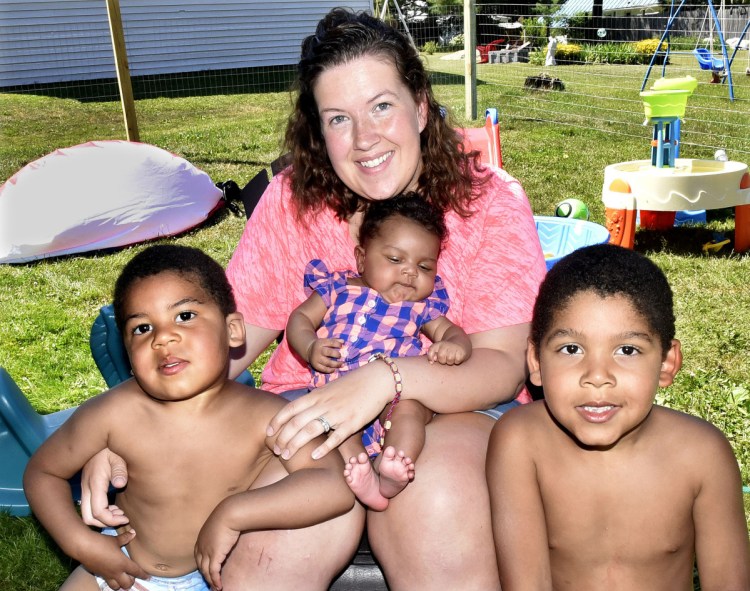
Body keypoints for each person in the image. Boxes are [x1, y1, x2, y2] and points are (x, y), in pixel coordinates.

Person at [79, 8, 547, 590]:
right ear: (318, 131)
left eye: (382, 106)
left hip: (452, 411)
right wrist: (122, 436)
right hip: (309, 416)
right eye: (338, 119)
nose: (365, 139)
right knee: (280, 537)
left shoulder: (488, 203)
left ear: (421, 106)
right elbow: (215, 346)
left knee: (437, 496)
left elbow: (501, 366)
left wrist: (384, 380)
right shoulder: (292, 202)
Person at [23, 245, 353, 591]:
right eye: (142, 328)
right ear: (128, 352)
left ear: (233, 331)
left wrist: (234, 513)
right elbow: (43, 472)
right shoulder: (114, 413)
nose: (163, 337)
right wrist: (82, 544)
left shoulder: (265, 415)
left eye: (184, 316)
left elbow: (330, 484)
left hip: (214, 577)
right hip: (119, 567)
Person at [486, 243, 750, 590]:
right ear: (535, 360)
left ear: (667, 363)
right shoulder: (520, 442)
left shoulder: (702, 455)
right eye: (571, 349)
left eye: (627, 350)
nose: (597, 375)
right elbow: (527, 584)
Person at [286, 193, 472, 511]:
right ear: (361, 258)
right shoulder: (337, 288)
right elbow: (300, 319)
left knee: (410, 412)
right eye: (395, 260)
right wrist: (311, 346)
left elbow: (452, 332)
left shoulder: (420, 307)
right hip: (337, 390)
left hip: (393, 394)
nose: (410, 272)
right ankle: (363, 476)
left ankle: (395, 466)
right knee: (338, 431)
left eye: (424, 266)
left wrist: (454, 346)